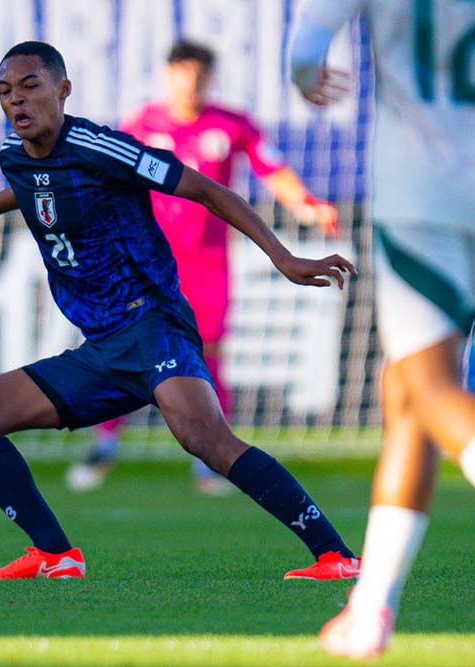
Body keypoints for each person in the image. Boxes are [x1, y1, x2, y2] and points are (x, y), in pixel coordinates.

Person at [0, 41, 360, 583]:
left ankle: (337, 555)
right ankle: (54, 553)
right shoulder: (16, 158)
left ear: (63, 90)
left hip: (151, 325)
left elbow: (207, 189)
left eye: (30, 86)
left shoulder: (101, 146)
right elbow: (36, 188)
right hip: (103, 349)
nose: (17, 101)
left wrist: (283, 256)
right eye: (5, 91)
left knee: (206, 439)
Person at [67, 40, 340, 495]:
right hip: (146, 262)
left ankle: (213, 459)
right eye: (181, 76)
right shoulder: (141, 125)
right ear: (169, 76)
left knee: (209, 353)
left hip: (208, 263)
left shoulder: (233, 125)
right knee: (125, 347)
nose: (189, 86)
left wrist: (306, 205)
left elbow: (273, 171)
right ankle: (106, 443)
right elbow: (105, 179)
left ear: (209, 79)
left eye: (197, 78)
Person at [290, 0, 475, 659]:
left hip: (425, 197)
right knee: (406, 393)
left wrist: (303, 79)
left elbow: (307, 46)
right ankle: (371, 608)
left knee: (428, 386)